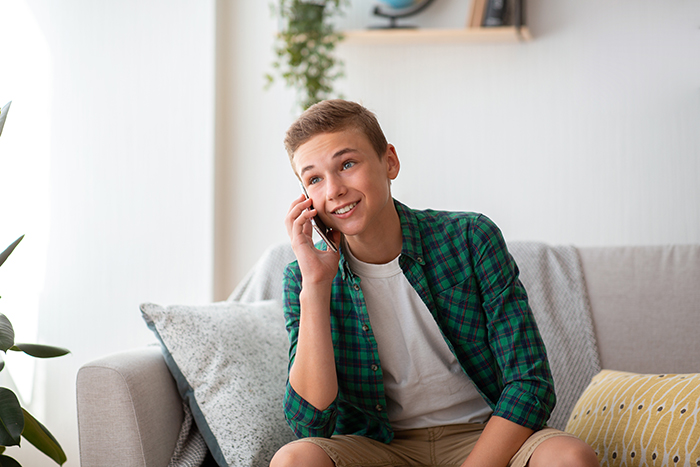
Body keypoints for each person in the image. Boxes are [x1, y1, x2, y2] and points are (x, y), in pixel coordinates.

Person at [271, 99, 599, 467]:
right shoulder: (303, 277)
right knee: (293, 460)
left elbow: (530, 383)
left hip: (485, 435)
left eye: (347, 164)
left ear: (389, 161)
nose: (333, 190)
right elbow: (309, 423)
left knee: (571, 458)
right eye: (314, 178)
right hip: (381, 448)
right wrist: (316, 285)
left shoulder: (470, 238)